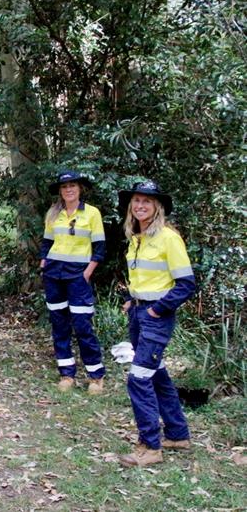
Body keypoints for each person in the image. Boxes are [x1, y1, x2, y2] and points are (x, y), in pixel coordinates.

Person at [117, 181, 195, 467]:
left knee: (138, 379)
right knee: (157, 375)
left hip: (155, 318)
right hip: (138, 313)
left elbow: (186, 284)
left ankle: (151, 446)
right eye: (136, 201)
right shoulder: (137, 237)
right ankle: (177, 434)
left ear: (157, 207)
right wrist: (130, 298)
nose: (140, 206)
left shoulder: (168, 237)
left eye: (146, 202)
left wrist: (157, 310)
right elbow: (142, 277)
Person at [39, 170, 106, 394]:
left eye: (73, 186)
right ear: (60, 190)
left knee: (82, 325)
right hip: (54, 274)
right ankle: (67, 374)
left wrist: (87, 272)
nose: (69, 189)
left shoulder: (92, 213)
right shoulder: (53, 213)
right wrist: (44, 262)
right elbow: (47, 242)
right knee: (59, 325)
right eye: (64, 186)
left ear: (80, 189)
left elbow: (100, 248)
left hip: (78, 275)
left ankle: (96, 376)